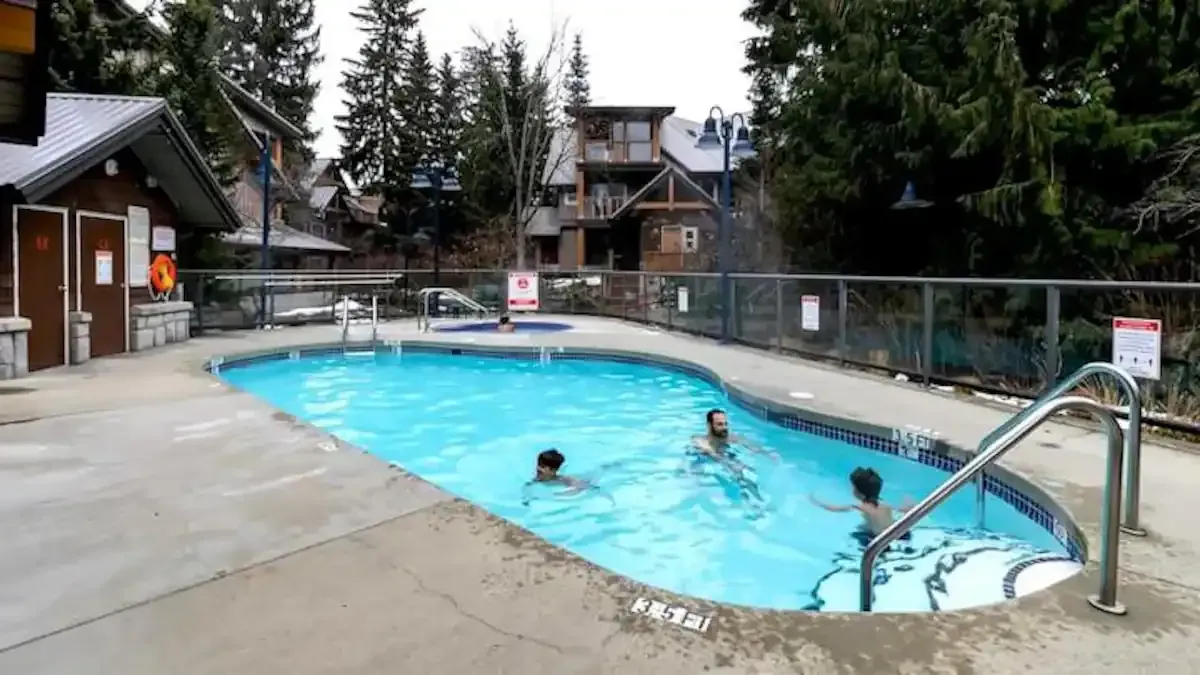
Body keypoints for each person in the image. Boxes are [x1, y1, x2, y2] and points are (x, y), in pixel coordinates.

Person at [810, 467, 914, 545]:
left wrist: (817, 502)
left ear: (859, 493)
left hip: (880, 539)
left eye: (853, 488)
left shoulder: (862, 507)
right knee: (864, 526)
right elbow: (902, 510)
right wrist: (907, 506)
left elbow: (835, 509)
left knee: (855, 535)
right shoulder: (885, 504)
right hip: (900, 533)